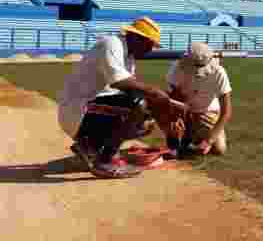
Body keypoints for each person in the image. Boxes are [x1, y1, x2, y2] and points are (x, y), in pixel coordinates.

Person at [57, 16, 188, 178]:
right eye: (149, 44)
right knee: (139, 105)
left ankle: (90, 146)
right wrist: (157, 94)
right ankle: (103, 161)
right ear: (136, 37)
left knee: (144, 122)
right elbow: (121, 83)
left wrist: (169, 123)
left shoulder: (129, 57)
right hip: (77, 110)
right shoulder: (112, 44)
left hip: (91, 109)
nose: (150, 50)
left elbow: (136, 93)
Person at [165, 42, 233, 156]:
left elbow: (226, 111)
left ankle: (195, 136)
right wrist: (176, 118)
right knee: (175, 144)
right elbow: (172, 96)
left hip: (207, 112)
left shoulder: (219, 72)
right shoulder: (177, 68)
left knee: (219, 149)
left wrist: (209, 141)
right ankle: (188, 135)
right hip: (183, 111)